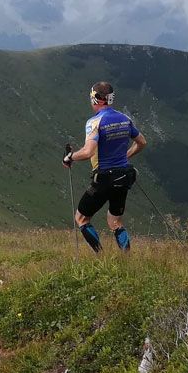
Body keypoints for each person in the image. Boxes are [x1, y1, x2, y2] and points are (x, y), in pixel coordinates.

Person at [63, 81, 147, 252]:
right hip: (124, 176)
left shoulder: (95, 122)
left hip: (104, 177)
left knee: (81, 218)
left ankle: (101, 257)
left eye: (91, 97)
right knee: (115, 222)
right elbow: (141, 142)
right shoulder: (125, 119)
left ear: (97, 99)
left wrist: (70, 157)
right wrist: (125, 156)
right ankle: (126, 260)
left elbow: (87, 152)